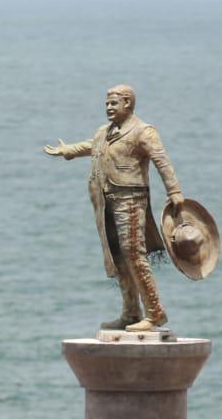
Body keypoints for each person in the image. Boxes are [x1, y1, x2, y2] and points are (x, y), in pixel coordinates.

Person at [44, 85, 188, 332]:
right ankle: (131, 311)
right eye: (107, 103)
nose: (109, 108)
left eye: (114, 103)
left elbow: (161, 161)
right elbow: (94, 145)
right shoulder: (104, 132)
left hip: (131, 200)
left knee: (134, 254)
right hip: (105, 201)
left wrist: (174, 191)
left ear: (128, 103)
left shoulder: (144, 131)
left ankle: (155, 312)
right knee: (117, 256)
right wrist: (69, 150)